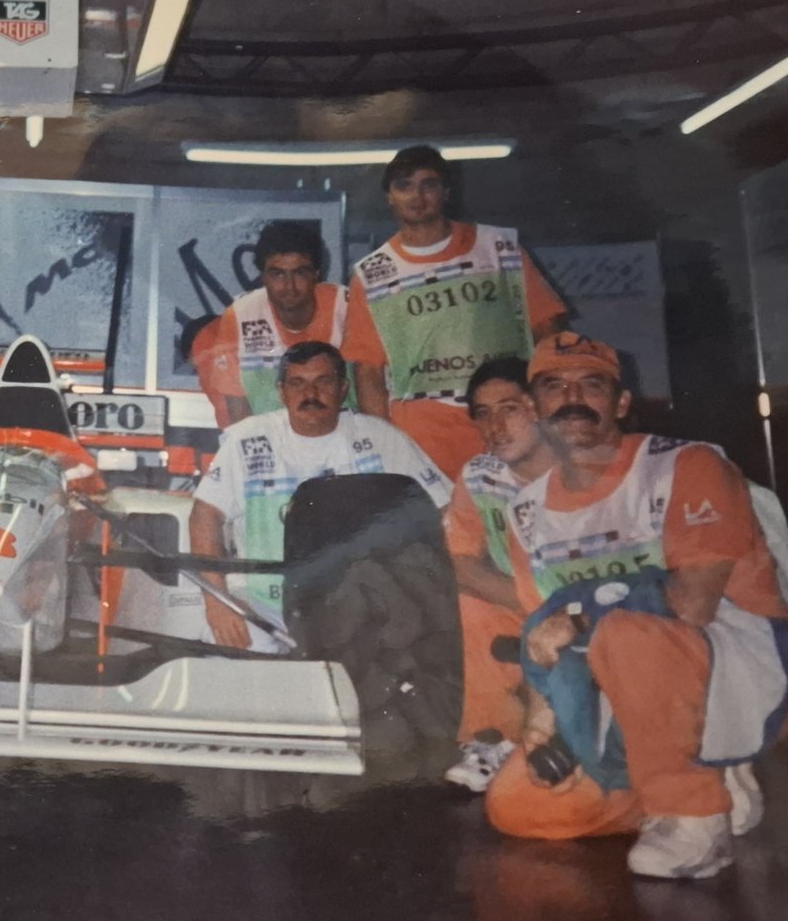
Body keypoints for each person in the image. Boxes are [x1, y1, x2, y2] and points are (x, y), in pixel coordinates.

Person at [487, 332, 788, 879]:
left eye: (592, 385)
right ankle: (703, 777)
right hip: (617, 694)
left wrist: (581, 617)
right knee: (518, 807)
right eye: (554, 386)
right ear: (534, 409)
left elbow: (693, 603)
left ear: (621, 403)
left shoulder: (686, 465)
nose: (572, 399)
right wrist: (546, 715)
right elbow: (543, 631)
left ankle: (695, 814)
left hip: (734, 672)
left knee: (625, 634)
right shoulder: (525, 510)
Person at [190, 341, 451, 654]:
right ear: (281, 392)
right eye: (297, 384)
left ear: (343, 389)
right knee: (226, 643)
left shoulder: (381, 439)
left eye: (323, 382)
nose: (310, 394)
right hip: (264, 601)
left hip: (360, 603)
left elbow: (445, 510)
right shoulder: (248, 440)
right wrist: (217, 601)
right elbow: (205, 514)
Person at [343, 145, 568, 480]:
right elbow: (368, 373)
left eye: (429, 184)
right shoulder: (373, 274)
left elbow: (548, 331)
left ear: (446, 191)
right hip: (423, 438)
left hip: (506, 423)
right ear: (389, 196)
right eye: (404, 186)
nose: (417, 196)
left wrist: (550, 412)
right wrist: (383, 446)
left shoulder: (497, 249)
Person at [441, 357, 557, 792]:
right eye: (483, 413)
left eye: (510, 409)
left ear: (538, 408)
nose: (496, 426)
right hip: (524, 601)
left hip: (588, 605)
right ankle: (490, 739)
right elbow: (460, 561)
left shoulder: (579, 467)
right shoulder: (479, 474)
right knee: (466, 605)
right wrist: (533, 605)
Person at [203, 222, 348, 426]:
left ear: (316, 274)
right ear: (262, 277)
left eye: (300, 273)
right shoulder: (240, 315)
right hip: (270, 436)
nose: (289, 286)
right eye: (278, 274)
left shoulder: (346, 308)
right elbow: (237, 413)